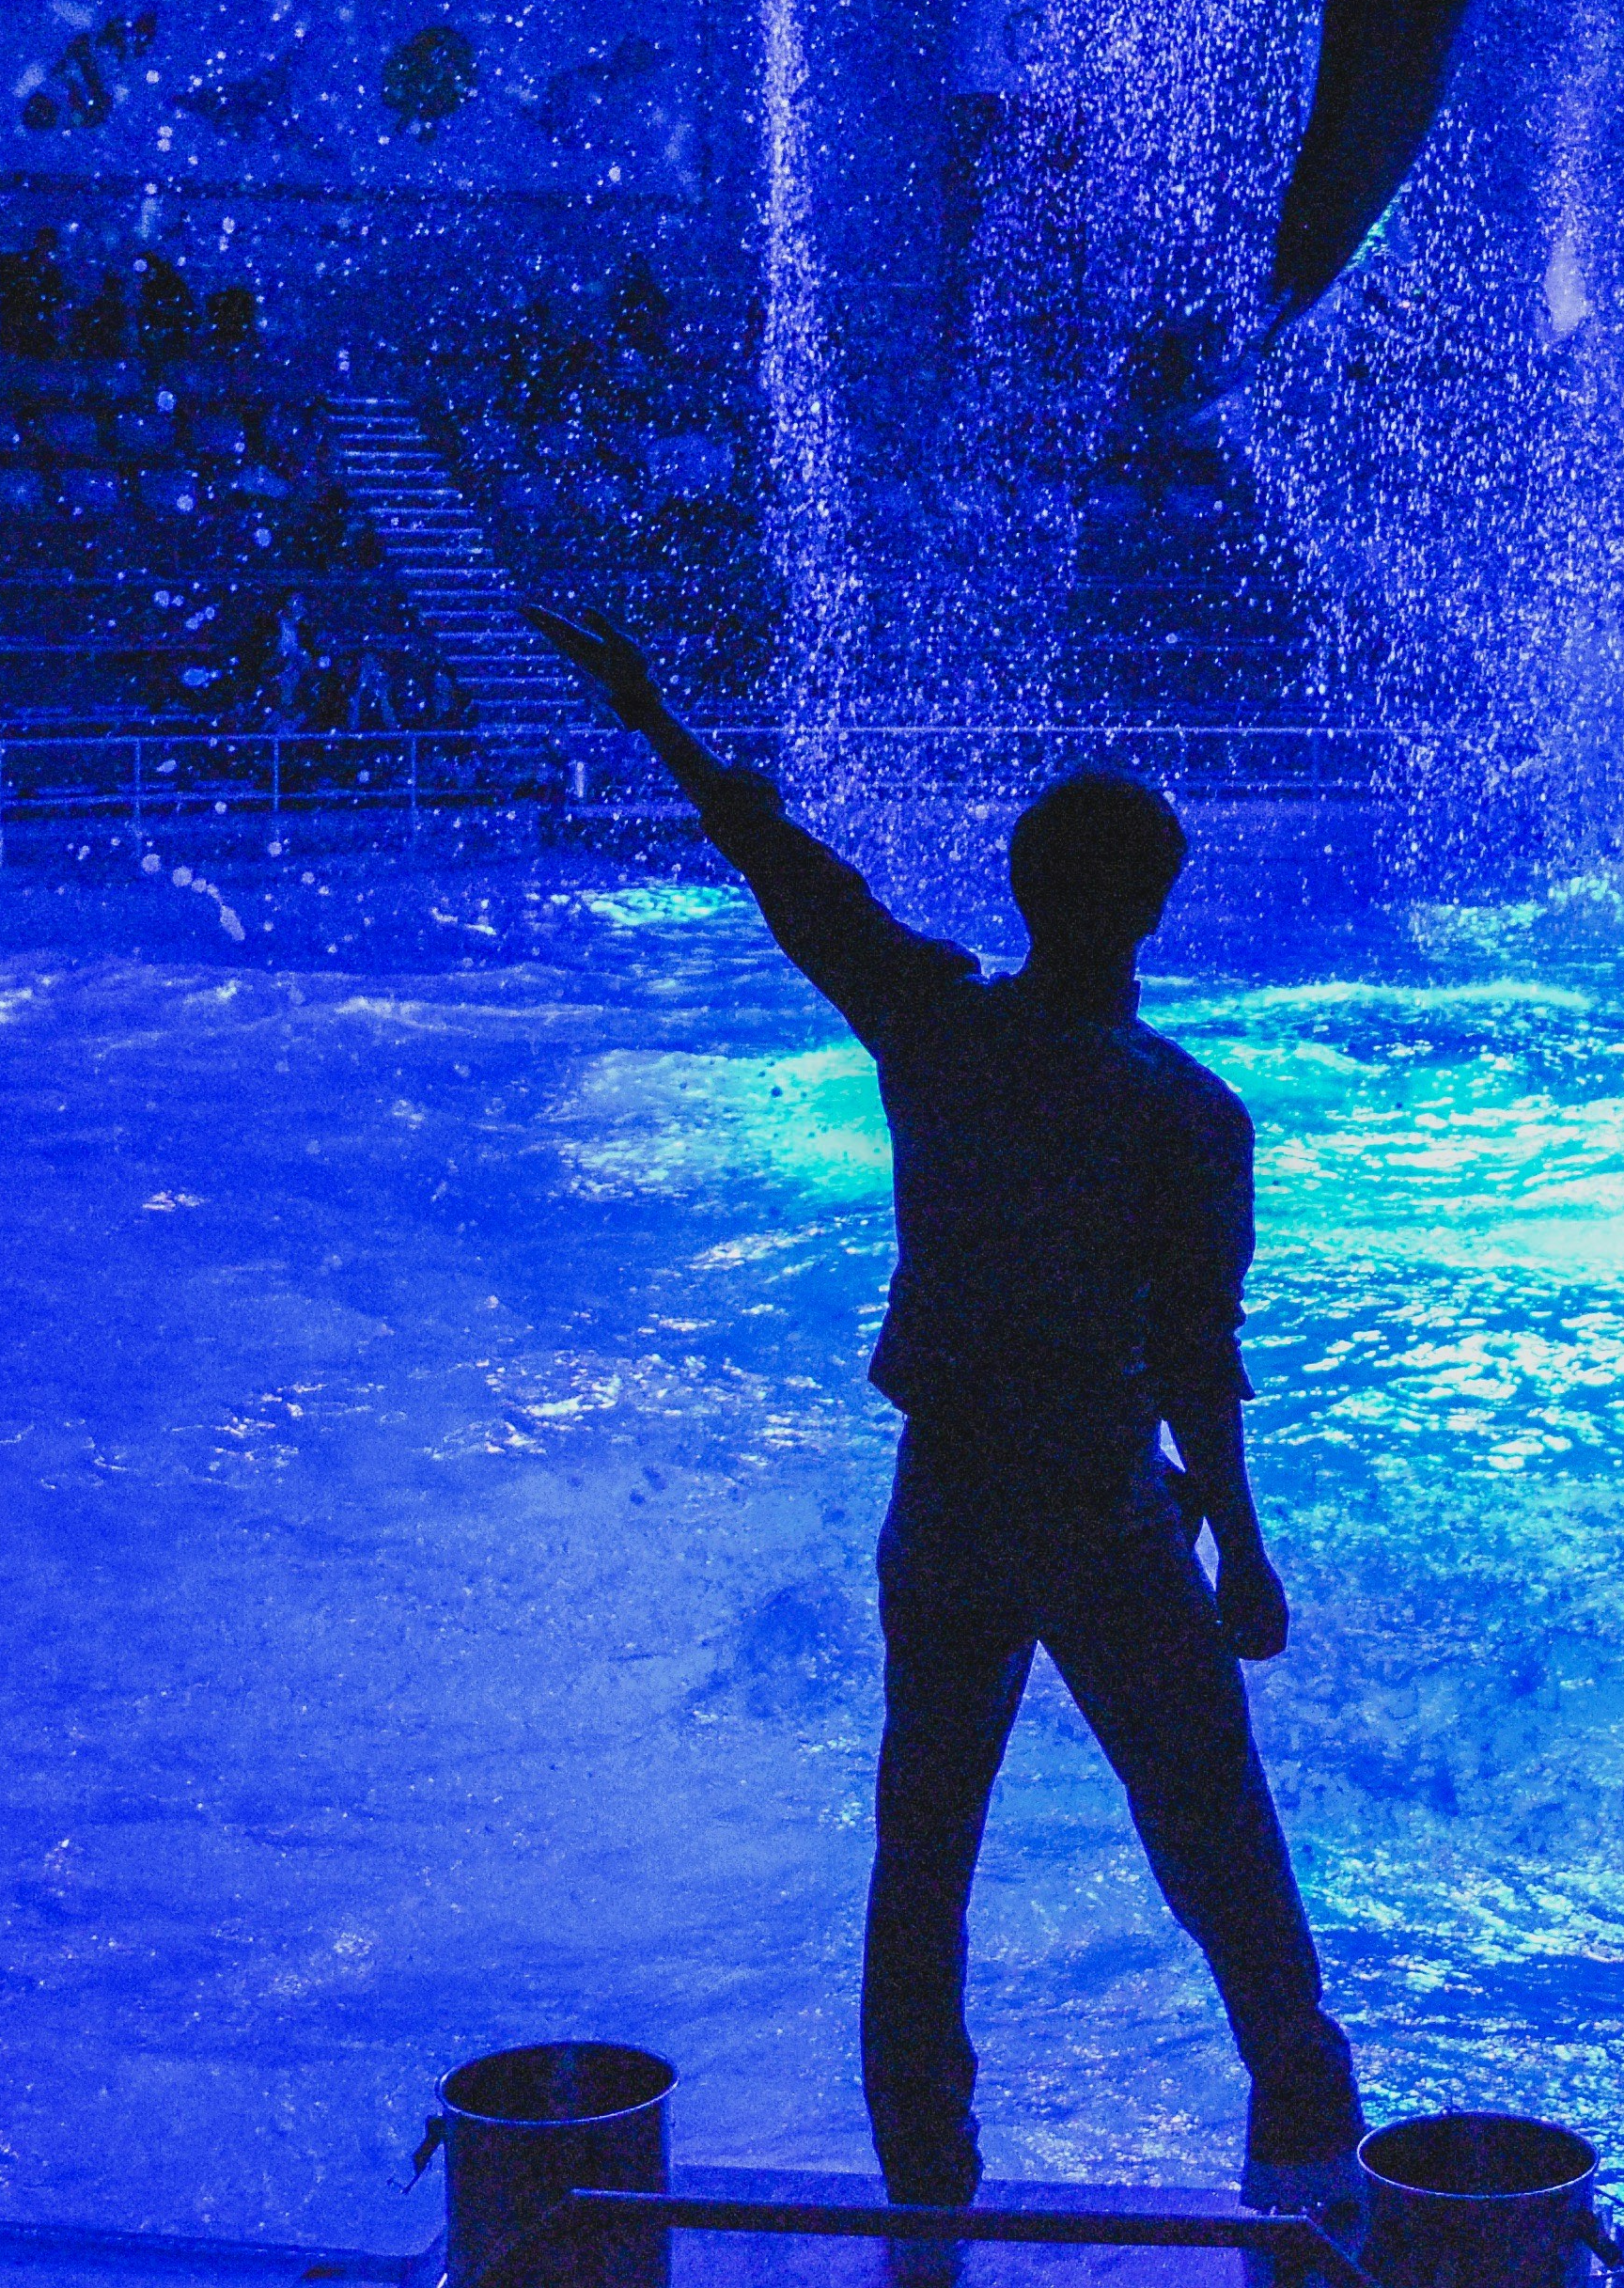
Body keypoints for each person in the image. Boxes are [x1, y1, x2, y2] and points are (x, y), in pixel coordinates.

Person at [519, 603, 1369, 2236]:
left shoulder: (935, 1030)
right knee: (1218, 1844)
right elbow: (1198, 1361)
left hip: (948, 1503)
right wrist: (1247, 1555)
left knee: (922, 1866)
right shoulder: (1190, 1113)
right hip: (1110, 1515)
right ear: (1156, 908)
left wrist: (657, 712)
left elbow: (794, 881)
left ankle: (925, 2198)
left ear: (1026, 892)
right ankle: (1312, 2159)